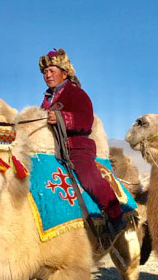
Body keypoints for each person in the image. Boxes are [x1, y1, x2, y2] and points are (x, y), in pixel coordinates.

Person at [39, 49, 125, 239]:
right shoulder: (46, 100)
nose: (47, 75)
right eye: (45, 72)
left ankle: (116, 216)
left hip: (77, 149)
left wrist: (61, 118)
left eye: (52, 71)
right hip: (54, 148)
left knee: (88, 178)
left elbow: (86, 121)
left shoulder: (77, 94)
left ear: (64, 72)